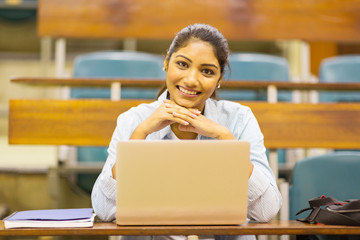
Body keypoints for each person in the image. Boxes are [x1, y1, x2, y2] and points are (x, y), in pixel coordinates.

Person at [91, 23, 282, 240]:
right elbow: (104, 211)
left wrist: (226, 138)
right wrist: (140, 134)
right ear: (166, 63)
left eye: (207, 71)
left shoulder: (239, 119)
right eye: (182, 64)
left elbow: (266, 211)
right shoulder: (133, 120)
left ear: (219, 79)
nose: (191, 80)